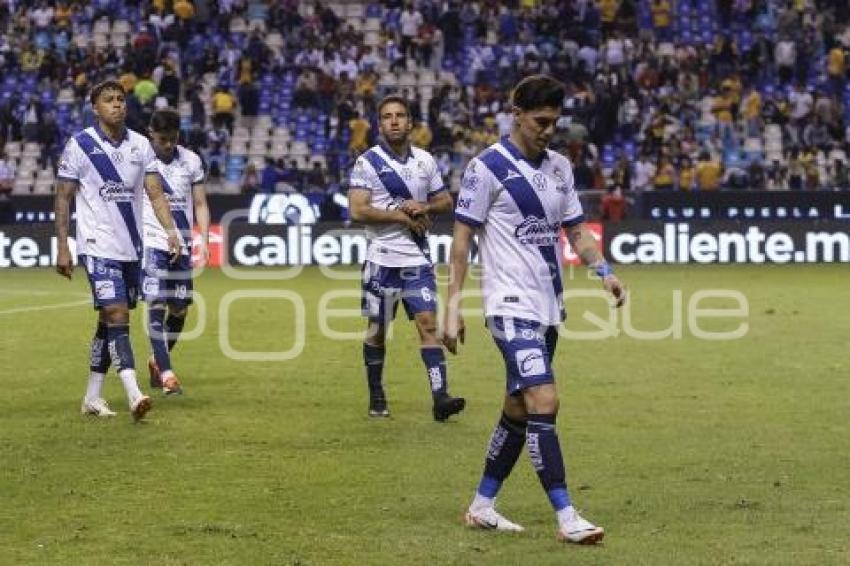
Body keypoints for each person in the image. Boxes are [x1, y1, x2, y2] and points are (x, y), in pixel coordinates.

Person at [443, 75, 626, 544]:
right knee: (545, 399)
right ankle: (567, 516)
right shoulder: (486, 169)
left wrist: (603, 271)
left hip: (548, 308)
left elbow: (577, 233)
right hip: (508, 306)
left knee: (519, 408)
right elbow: (461, 242)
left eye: (554, 122)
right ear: (517, 113)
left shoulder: (560, 168)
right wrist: (452, 307)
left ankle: (482, 505)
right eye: (540, 121)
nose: (548, 130)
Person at [54, 80, 181, 421]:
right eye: (109, 100)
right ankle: (133, 392)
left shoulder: (141, 145)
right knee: (117, 315)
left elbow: (155, 193)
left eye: (121, 99)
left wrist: (171, 231)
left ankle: (92, 397)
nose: (117, 105)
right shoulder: (79, 145)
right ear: (95, 108)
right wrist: (64, 247)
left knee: (106, 323)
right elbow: (63, 197)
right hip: (97, 246)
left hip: (131, 249)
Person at [348, 94, 465, 421]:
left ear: (411, 122)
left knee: (428, 324)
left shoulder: (426, 161)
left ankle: (441, 398)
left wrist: (425, 206)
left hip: (416, 259)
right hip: (380, 260)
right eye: (387, 116)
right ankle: (377, 394)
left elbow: (445, 202)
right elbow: (357, 210)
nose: (394, 121)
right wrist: (401, 216)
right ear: (380, 123)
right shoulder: (366, 163)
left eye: (400, 115)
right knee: (377, 330)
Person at [142, 108, 210, 395]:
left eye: (172, 139)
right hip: (153, 241)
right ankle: (168, 374)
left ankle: (157, 359)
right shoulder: (141, 159)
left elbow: (200, 204)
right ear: (151, 134)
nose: (167, 145)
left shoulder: (191, 160)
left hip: (182, 245)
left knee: (180, 310)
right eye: (162, 139)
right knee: (156, 304)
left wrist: (204, 239)